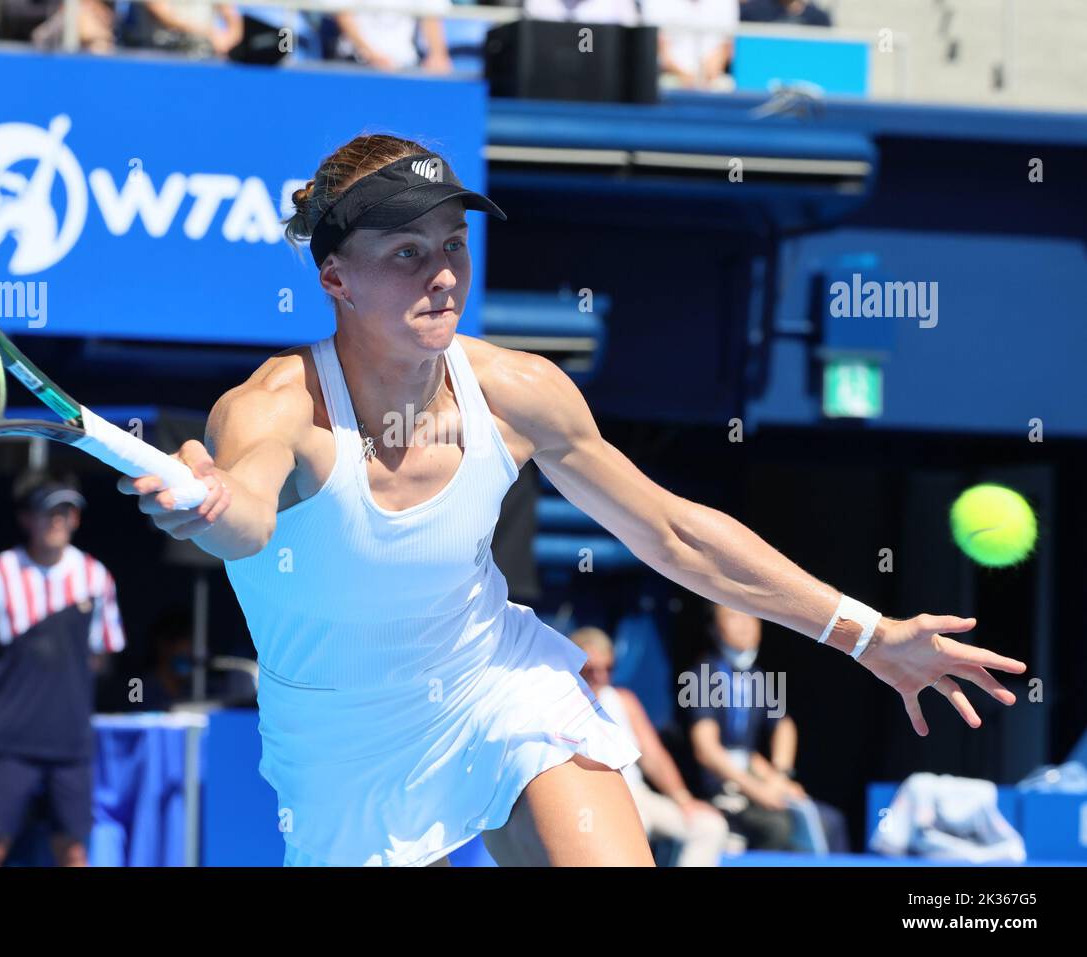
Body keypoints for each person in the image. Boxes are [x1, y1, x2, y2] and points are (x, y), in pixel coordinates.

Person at [120, 132, 1025, 867]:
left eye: (452, 245)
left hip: (494, 686)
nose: (442, 272)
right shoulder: (275, 406)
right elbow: (245, 519)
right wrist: (205, 500)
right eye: (406, 252)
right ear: (335, 279)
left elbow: (675, 532)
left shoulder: (517, 390)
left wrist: (866, 634)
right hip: (338, 746)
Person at [0, 470, 125, 866]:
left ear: (77, 519)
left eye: (67, 511)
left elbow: (103, 653)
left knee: (74, 850)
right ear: (27, 518)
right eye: (49, 511)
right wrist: (0, 678)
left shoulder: (96, 578)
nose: (59, 520)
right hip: (10, 740)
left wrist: (64, 681)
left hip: (70, 742)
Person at [687, 602, 848, 851]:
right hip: (722, 789)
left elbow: (784, 726)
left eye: (751, 618)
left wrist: (780, 776)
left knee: (830, 821)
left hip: (756, 777)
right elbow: (707, 751)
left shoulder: (759, 677)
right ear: (714, 629)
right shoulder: (702, 676)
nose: (745, 626)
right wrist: (757, 789)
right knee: (779, 827)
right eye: (733, 617)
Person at [571, 626, 730, 865]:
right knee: (634, 826)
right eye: (591, 670)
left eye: (608, 669)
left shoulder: (624, 700)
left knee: (709, 826)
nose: (601, 677)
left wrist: (683, 798)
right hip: (594, 799)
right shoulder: (562, 706)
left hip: (637, 794)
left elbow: (653, 755)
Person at [640, 0, 739, 90]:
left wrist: (705, 76)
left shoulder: (726, 3)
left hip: (712, 77)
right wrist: (686, 77)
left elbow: (725, 45)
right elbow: (660, 47)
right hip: (669, 75)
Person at [333, 0, 454, 73]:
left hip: (405, 65)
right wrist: (372, 55)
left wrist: (438, 55)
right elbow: (343, 15)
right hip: (356, 64)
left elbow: (431, 16)